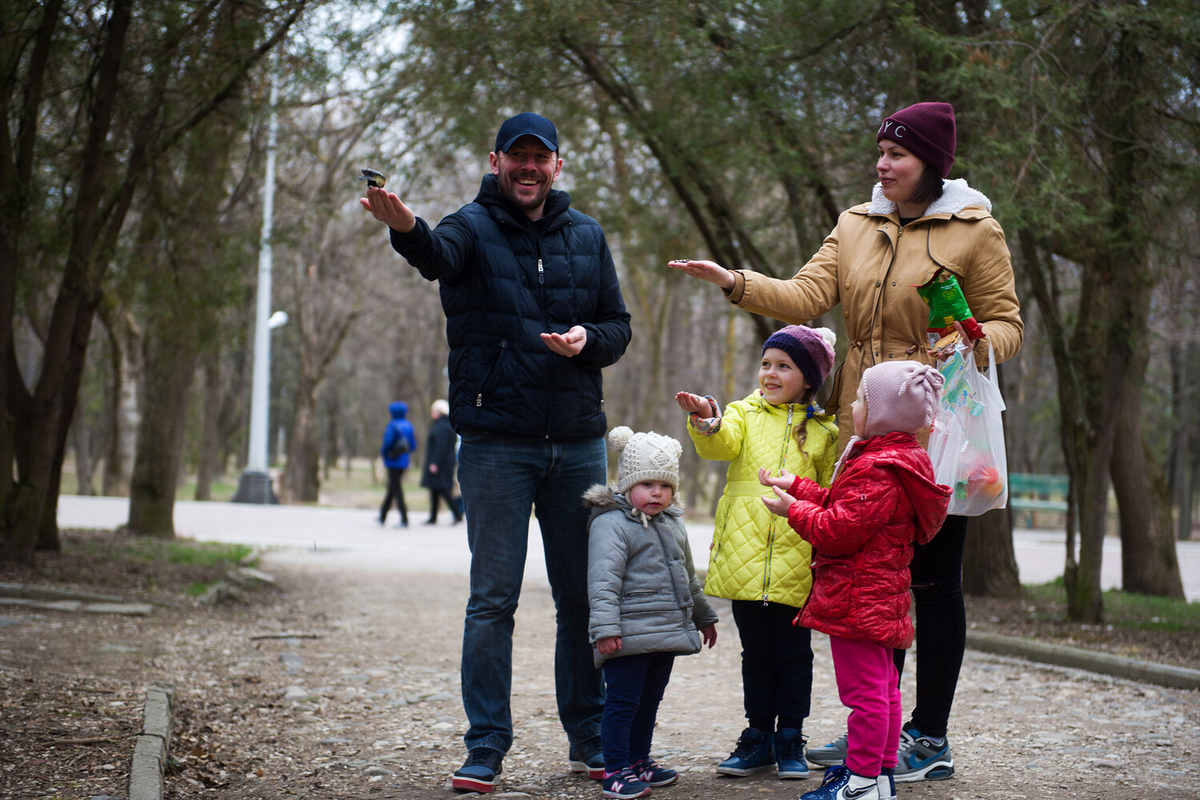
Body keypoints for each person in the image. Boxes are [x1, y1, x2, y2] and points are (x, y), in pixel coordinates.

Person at [668, 101, 1023, 782]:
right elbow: (805, 295)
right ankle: (879, 730)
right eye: (880, 153)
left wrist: (976, 343)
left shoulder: (976, 231)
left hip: (934, 427)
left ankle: (928, 734)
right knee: (874, 579)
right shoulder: (856, 225)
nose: (881, 165)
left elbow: (1007, 323)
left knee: (934, 579)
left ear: (931, 164)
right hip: (863, 426)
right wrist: (735, 283)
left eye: (897, 156)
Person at [361, 112, 632, 794]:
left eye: (541, 158)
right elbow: (436, 256)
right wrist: (405, 228)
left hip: (575, 444)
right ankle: (485, 745)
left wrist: (586, 342)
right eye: (518, 157)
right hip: (494, 445)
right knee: (492, 600)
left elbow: (617, 325)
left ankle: (591, 737)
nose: (529, 168)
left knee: (582, 600)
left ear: (558, 167)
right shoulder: (470, 226)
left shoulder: (586, 234)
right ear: (496, 161)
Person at [760, 361, 952, 800]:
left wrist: (792, 511)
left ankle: (861, 781)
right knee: (884, 689)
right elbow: (849, 507)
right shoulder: (896, 460)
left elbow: (838, 530)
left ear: (883, 413)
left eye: (861, 399)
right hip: (878, 596)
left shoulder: (876, 468)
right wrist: (801, 487)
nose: (851, 404)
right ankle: (880, 775)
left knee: (865, 694)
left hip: (856, 598)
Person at [675, 325, 839, 780]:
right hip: (745, 559)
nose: (770, 373)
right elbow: (718, 443)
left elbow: (828, 495)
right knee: (755, 654)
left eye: (783, 366)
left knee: (792, 654)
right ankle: (757, 736)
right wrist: (706, 418)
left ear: (808, 377)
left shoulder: (824, 431)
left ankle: (790, 736)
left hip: (796, 560)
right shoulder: (743, 413)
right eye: (766, 363)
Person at [584, 426, 719, 799]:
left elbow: (687, 576)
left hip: (665, 631)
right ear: (628, 484)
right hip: (626, 634)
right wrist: (606, 628)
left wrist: (703, 616)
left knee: (649, 701)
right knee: (623, 702)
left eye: (664, 484)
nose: (656, 492)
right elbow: (602, 581)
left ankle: (639, 760)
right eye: (647, 484)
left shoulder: (672, 522)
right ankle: (615, 769)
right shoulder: (611, 524)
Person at [421, 399, 463, 525]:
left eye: (434, 410)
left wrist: (434, 462)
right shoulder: (447, 425)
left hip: (440, 463)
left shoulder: (441, 427)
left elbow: (440, 446)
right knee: (436, 489)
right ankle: (433, 516)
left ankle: (456, 514)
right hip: (445, 462)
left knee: (444, 489)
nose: (432, 413)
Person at [379, 401, 417, 528]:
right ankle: (382, 516)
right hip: (403, 461)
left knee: (396, 489)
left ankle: (404, 518)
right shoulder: (408, 425)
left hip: (392, 461)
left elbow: (387, 443)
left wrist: (384, 455)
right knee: (392, 487)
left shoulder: (392, 425)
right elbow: (412, 446)